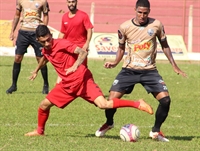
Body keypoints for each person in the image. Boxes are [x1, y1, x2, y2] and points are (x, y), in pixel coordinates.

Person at [24, 25, 153, 136]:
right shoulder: (45, 49)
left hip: (83, 80)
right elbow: (45, 57)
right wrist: (36, 70)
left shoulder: (62, 43)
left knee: (103, 105)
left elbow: (83, 52)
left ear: (51, 35)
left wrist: (75, 66)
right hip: (67, 86)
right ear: (38, 40)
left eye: (48, 39)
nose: (47, 43)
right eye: (43, 42)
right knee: (43, 105)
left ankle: (137, 104)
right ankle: (40, 131)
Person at [95, 0, 187, 142]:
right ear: (135, 10)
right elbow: (121, 48)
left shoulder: (156, 25)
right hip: (129, 70)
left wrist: (174, 65)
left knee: (166, 100)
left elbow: (165, 46)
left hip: (150, 71)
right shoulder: (124, 27)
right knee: (111, 100)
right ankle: (109, 123)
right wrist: (114, 63)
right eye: (140, 12)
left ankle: (156, 131)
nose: (142, 16)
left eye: (145, 13)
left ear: (149, 11)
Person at [6, 0, 50, 94]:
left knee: (40, 59)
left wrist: (43, 30)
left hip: (36, 33)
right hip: (23, 32)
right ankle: (14, 85)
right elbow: (17, 15)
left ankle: (46, 85)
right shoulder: (20, 0)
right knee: (17, 58)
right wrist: (12, 31)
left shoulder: (43, 1)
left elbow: (45, 15)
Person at [56, 0, 93, 83]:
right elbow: (62, 32)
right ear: (66, 3)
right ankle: (57, 88)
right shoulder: (64, 16)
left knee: (82, 70)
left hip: (81, 48)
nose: (71, 4)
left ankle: (91, 88)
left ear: (76, 2)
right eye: (69, 2)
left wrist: (87, 43)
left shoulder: (83, 15)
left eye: (73, 1)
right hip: (69, 48)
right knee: (64, 69)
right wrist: (57, 44)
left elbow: (89, 30)